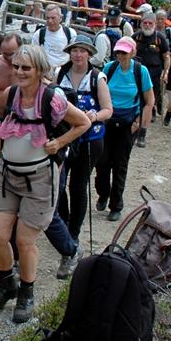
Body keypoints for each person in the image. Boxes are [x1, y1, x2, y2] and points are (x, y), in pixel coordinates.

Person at [0, 45, 90, 323]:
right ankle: (7, 283)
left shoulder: (52, 99)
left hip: (40, 179)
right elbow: (0, 117)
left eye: (26, 68)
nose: (19, 72)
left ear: (40, 70)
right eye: (17, 66)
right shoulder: (9, 95)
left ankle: (26, 293)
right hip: (7, 176)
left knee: (24, 240)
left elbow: (83, 123)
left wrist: (60, 142)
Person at [50, 35, 113, 277]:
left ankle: (73, 232)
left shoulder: (97, 77)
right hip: (65, 137)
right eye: (74, 50)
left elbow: (108, 110)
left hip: (90, 140)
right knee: (59, 186)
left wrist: (93, 116)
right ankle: (64, 225)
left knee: (78, 185)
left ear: (89, 54)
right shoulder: (60, 74)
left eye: (83, 51)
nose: (78, 55)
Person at [94, 37, 155, 222]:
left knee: (120, 164)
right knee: (102, 162)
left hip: (128, 123)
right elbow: (99, 92)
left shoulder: (140, 71)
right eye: (118, 52)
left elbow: (149, 100)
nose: (120, 55)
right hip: (107, 120)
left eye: (124, 52)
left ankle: (116, 205)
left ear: (133, 52)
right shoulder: (109, 68)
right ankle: (103, 193)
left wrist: (140, 123)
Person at [134, 12, 170, 146]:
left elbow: (167, 57)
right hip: (137, 74)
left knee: (149, 104)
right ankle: (134, 128)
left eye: (150, 23)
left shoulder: (159, 38)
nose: (147, 25)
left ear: (154, 24)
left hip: (154, 74)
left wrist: (165, 72)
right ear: (141, 23)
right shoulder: (136, 37)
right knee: (136, 103)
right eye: (145, 23)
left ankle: (142, 133)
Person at [33, 4, 74, 76]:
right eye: (47, 18)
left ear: (60, 18)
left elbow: (74, 55)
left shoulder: (70, 33)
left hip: (65, 73)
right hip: (45, 74)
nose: (50, 21)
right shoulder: (39, 34)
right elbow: (34, 56)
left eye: (53, 18)